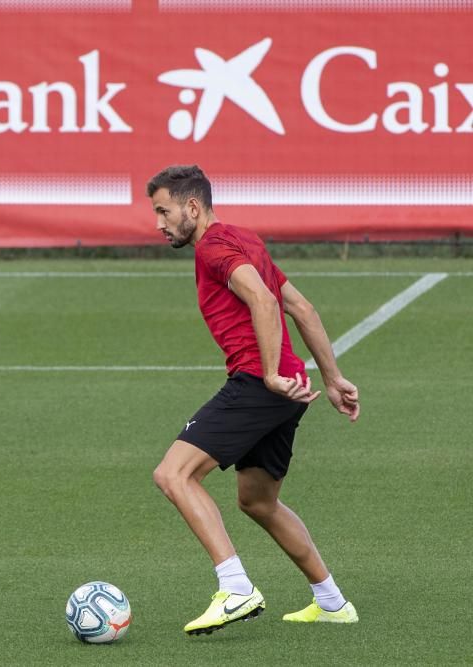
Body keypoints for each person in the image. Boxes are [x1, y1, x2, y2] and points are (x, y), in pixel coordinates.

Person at [145, 165, 360, 635]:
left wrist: (267, 374)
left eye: (164, 211)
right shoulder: (245, 238)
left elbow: (264, 301)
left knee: (173, 474)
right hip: (288, 389)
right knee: (258, 501)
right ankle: (331, 601)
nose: (159, 223)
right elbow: (301, 307)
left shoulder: (215, 248)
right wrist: (333, 376)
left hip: (260, 386)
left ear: (192, 207)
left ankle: (236, 588)